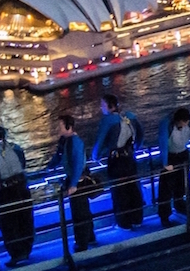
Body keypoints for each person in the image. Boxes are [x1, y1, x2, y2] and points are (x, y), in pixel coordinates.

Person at [0, 124, 34, 266]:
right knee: (25, 218)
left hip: (5, 191)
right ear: (4, 135)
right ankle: (26, 250)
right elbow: (23, 164)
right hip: (22, 187)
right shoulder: (16, 148)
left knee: (8, 223)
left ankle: (16, 254)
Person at [92, 93, 146, 230]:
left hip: (116, 161)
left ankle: (124, 223)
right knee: (133, 188)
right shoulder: (130, 116)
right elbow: (141, 133)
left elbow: (100, 142)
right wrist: (136, 148)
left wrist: (95, 156)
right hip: (130, 157)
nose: (101, 108)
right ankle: (137, 219)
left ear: (109, 107)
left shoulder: (108, 121)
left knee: (119, 191)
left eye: (102, 105)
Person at [56, 114, 96, 254]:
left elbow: (78, 164)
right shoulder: (66, 141)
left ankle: (82, 242)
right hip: (77, 180)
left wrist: (73, 185)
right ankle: (89, 237)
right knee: (83, 210)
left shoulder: (74, 142)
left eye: (60, 126)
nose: (58, 129)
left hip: (77, 182)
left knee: (79, 213)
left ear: (68, 127)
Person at [158, 105, 190, 225]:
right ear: (178, 121)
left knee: (182, 184)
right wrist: (165, 163)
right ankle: (164, 215)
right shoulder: (166, 124)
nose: (185, 125)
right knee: (166, 189)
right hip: (170, 156)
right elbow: (163, 145)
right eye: (183, 123)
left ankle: (180, 205)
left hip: (183, 154)